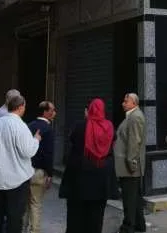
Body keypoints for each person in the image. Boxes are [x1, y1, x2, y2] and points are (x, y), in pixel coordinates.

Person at [59, 98, 119, 233]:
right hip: (101, 180)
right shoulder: (109, 127)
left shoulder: (80, 126)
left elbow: (72, 139)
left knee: (75, 216)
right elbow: (113, 142)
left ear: (89, 110)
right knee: (96, 217)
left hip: (79, 179)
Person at [0, 94, 41, 233]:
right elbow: (28, 151)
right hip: (16, 180)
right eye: (24, 106)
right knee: (14, 216)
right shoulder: (20, 126)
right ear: (20, 107)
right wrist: (36, 140)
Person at [114, 93, 146, 233]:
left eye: (126, 101)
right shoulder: (131, 116)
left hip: (130, 167)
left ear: (134, 103)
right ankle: (139, 225)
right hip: (129, 166)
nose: (123, 103)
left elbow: (134, 142)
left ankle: (128, 227)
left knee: (129, 199)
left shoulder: (135, 117)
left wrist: (131, 164)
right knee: (135, 198)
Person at [24, 101, 57, 233]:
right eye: (52, 110)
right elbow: (48, 154)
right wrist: (50, 174)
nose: (54, 113)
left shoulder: (29, 125)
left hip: (26, 170)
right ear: (45, 112)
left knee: (25, 204)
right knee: (36, 204)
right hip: (39, 172)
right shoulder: (48, 129)